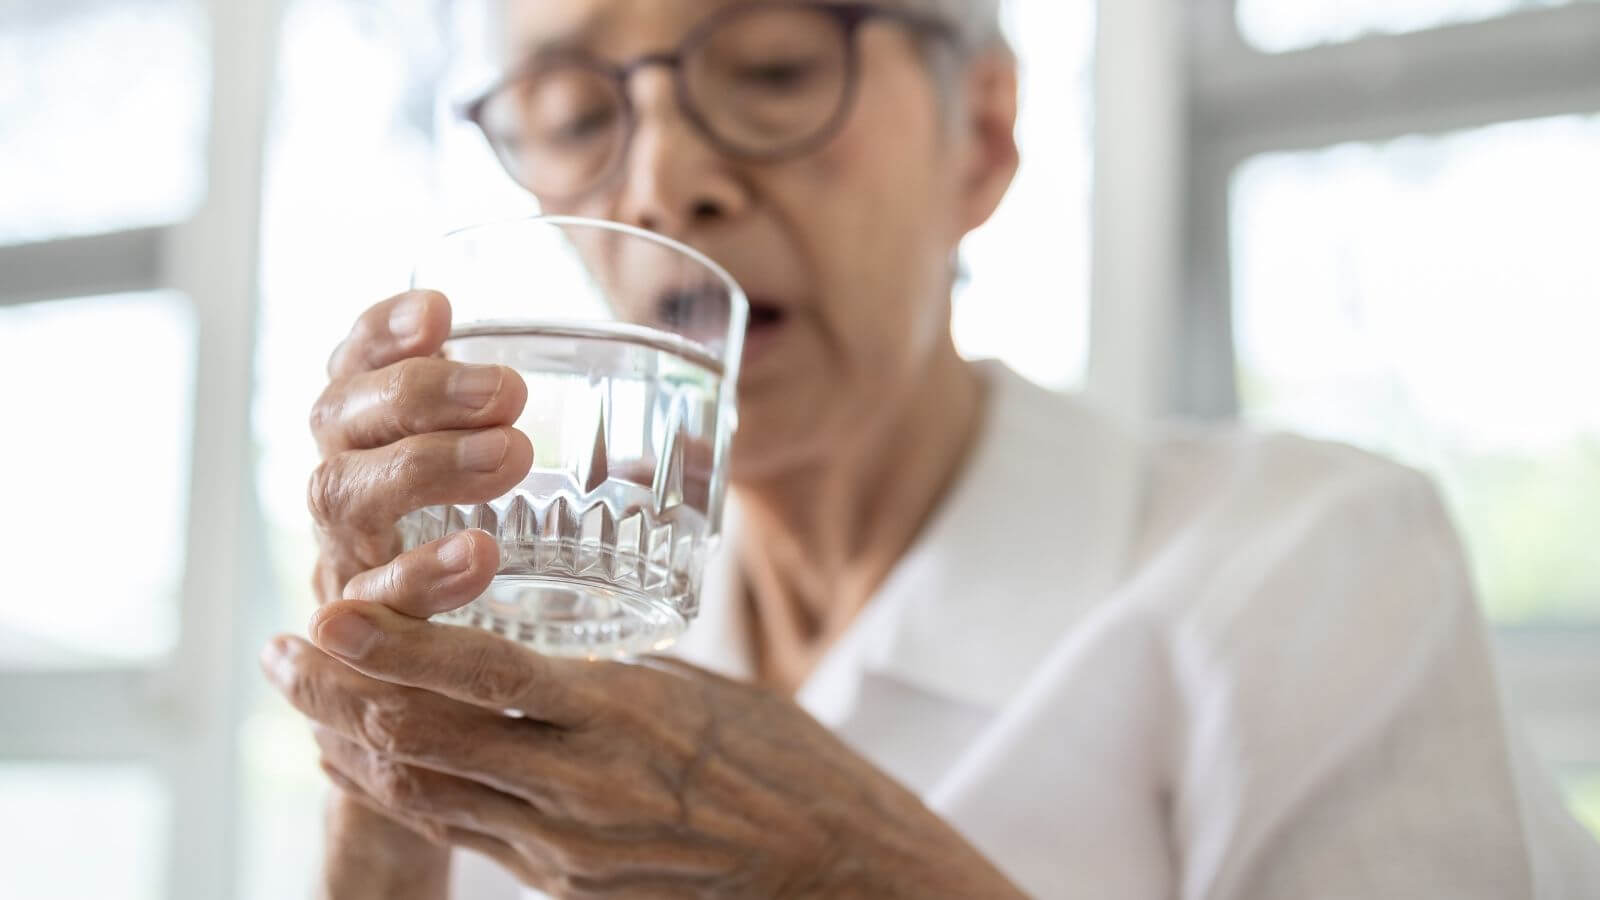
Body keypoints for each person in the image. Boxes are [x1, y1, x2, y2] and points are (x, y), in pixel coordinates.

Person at [261, 0, 1600, 896]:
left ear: (985, 139)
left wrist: (865, 875)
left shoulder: (1318, 568)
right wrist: (387, 803)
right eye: (572, 115)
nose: (665, 179)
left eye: (777, 67)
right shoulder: (548, 627)